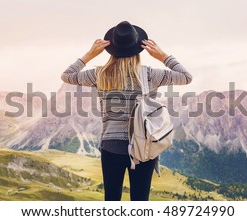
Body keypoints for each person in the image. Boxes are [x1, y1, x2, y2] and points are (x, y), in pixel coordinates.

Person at [61, 21, 192, 201]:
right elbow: (186, 77)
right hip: (143, 147)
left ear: (111, 49)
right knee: (140, 201)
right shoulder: (149, 75)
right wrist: (162, 56)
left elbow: (67, 75)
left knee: (112, 199)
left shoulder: (100, 75)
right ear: (138, 48)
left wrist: (90, 54)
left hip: (110, 145)